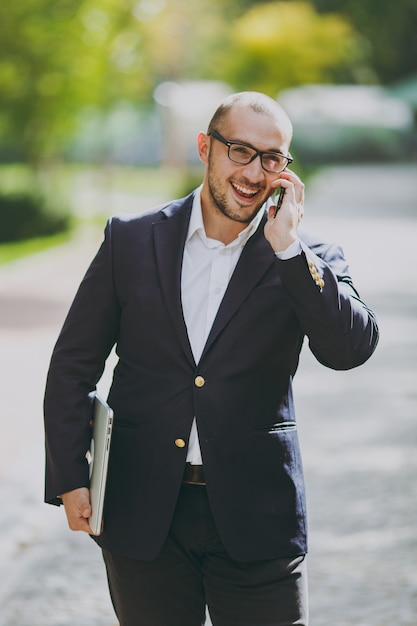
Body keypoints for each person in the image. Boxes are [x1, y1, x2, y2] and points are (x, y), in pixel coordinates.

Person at [44, 91, 379, 626]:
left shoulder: (306, 255)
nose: (254, 171)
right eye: (240, 151)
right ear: (206, 147)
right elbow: (73, 364)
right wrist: (68, 472)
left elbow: (349, 350)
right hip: (143, 510)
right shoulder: (131, 240)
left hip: (257, 515)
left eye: (272, 159)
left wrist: (290, 251)